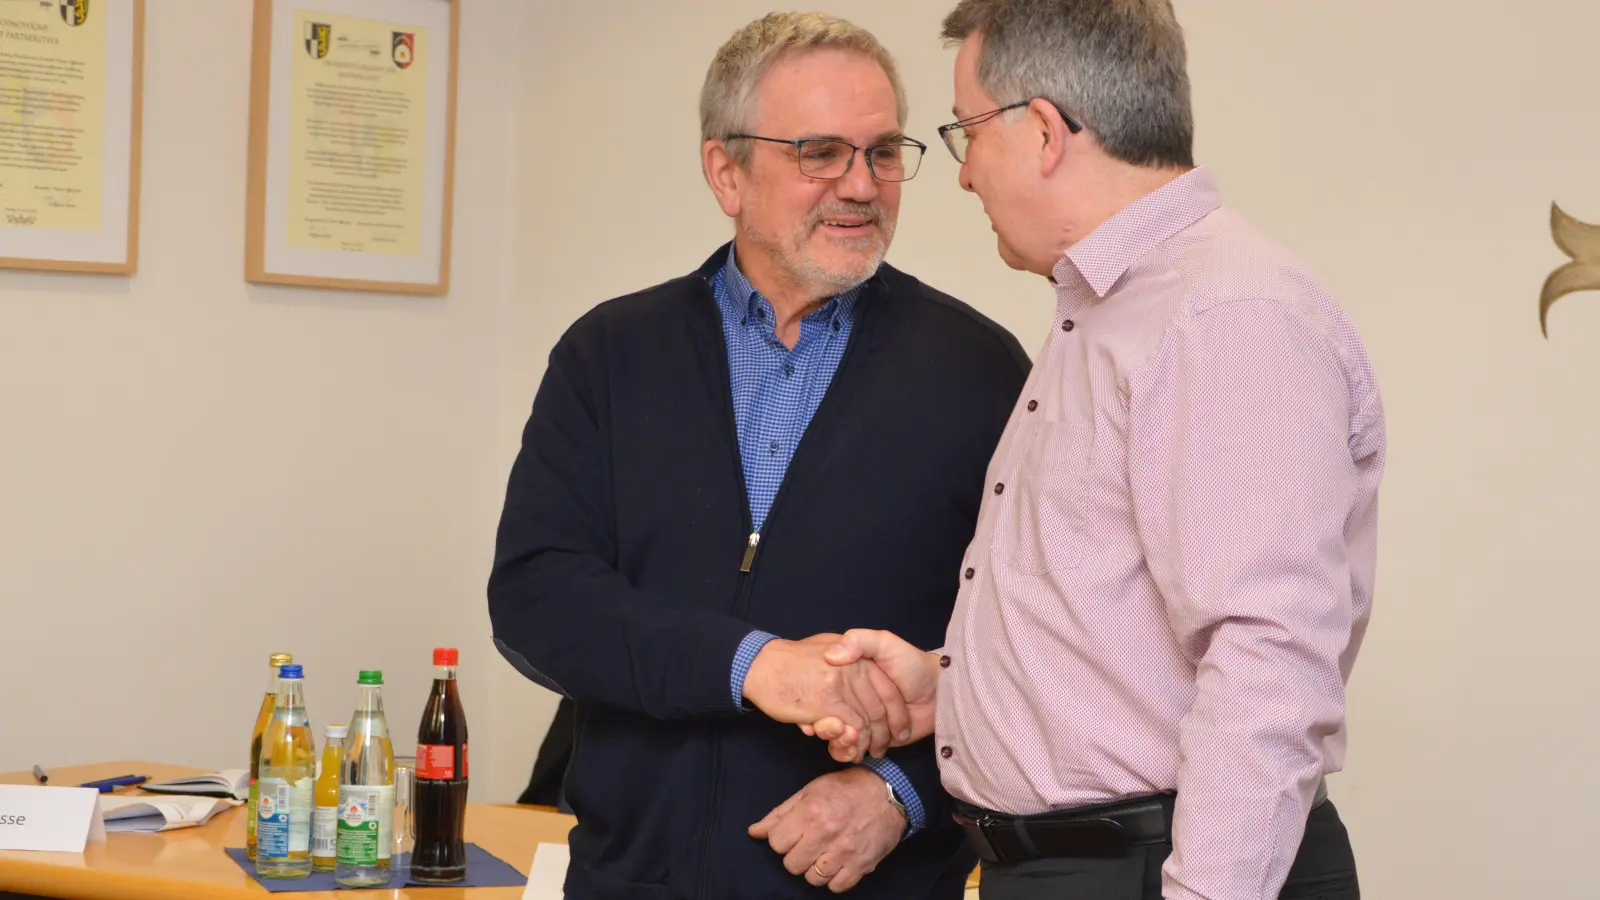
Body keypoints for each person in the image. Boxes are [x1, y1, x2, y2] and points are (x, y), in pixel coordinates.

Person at [809, 2, 1387, 898]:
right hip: (1078, 867)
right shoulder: (1116, 309)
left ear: (1042, 131)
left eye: (965, 134)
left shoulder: (1223, 316)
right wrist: (952, 690)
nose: (961, 179)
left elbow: (1269, 655)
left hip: (1154, 871)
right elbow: (1112, 621)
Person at [486, 12, 1029, 899]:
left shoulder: (981, 371)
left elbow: (1031, 655)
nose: (861, 185)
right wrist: (756, 664)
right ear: (725, 171)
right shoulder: (609, 355)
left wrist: (904, 795)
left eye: (884, 152)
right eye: (820, 152)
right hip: (631, 883)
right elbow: (537, 600)